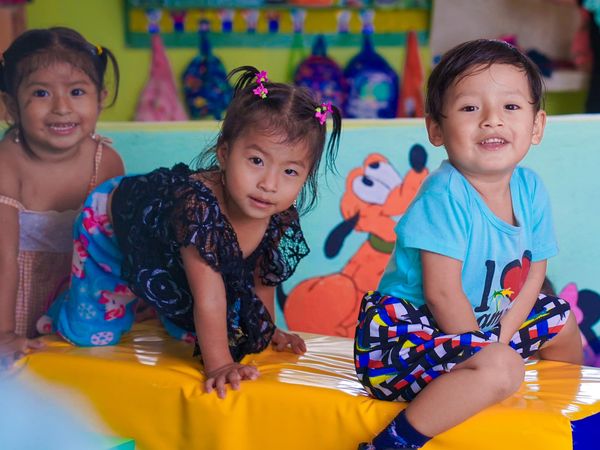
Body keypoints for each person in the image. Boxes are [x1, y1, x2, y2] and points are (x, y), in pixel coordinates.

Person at [41, 66, 342, 399]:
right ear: (225, 153)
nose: (269, 184)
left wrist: (268, 330)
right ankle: (63, 310)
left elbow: (262, 279)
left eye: (290, 171)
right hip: (110, 223)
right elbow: (209, 298)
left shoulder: (277, 212)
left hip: (174, 249)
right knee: (91, 333)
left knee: (210, 328)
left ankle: (159, 309)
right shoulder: (198, 208)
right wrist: (219, 365)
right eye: (256, 161)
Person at [354, 39, 583, 450]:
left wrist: (501, 337)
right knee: (501, 367)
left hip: (483, 328)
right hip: (406, 342)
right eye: (470, 108)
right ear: (436, 129)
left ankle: (566, 423)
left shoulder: (530, 189)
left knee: (562, 321)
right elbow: (441, 294)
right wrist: (485, 351)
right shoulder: (445, 195)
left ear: (537, 126)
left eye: (510, 106)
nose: (492, 120)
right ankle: (391, 443)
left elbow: (534, 273)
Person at [0, 27, 123, 369]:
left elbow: (114, 247)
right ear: (12, 106)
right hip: (10, 301)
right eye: (41, 93)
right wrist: (4, 333)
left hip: (79, 300)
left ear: (100, 99)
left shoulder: (105, 162)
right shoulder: (7, 162)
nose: (61, 107)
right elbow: (2, 258)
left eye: (77, 92)